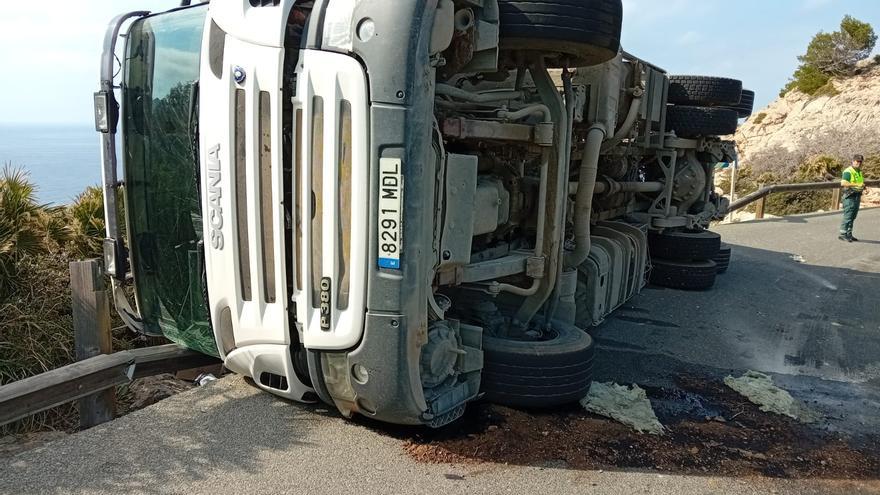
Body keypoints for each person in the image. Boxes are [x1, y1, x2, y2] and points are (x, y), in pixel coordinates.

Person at [839, 154, 867, 242]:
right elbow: (843, 183)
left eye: (860, 162)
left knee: (853, 216)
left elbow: (860, 183)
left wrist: (863, 187)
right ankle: (842, 234)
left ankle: (849, 234)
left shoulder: (859, 171)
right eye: (857, 161)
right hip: (849, 196)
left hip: (857, 196)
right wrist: (857, 185)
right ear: (853, 161)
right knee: (848, 216)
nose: (858, 163)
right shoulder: (848, 171)